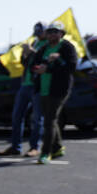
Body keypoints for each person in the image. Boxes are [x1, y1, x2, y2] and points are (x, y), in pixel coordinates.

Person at [32, 22, 79, 164]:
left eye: (55, 31)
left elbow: (70, 68)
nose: (52, 34)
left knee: (49, 121)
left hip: (59, 89)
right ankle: (58, 147)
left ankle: (46, 153)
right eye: (50, 31)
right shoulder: (43, 48)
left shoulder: (67, 47)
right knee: (51, 119)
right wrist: (39, 68)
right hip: (44, 89)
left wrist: (57, 60)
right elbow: (34, 65)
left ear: (61, 34)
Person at [0, 23, 46, 158]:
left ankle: (34, 147)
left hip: (37, 85)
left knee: (37, 118)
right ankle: (15, 146)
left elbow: (44, 60)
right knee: (17, 116)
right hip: (25, 84)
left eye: (40, 31)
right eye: (36, 31)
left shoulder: (46, 45)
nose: (38, 33)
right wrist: (24, 55)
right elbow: (26, 63)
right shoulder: (35, 42)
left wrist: (31, 51)